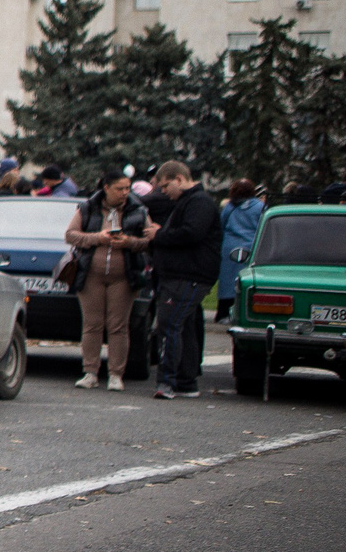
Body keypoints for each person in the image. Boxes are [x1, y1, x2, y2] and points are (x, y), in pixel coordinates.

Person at [143, 159, 220, 399]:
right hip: (185, 274)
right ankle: (186, 381)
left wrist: (160, 234)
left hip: (187, 276)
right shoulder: (192, 202)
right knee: (184, 327)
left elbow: (191, 234)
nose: (163, 192)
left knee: (169, 326)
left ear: (179, 179)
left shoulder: (199, 203)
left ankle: (168, 381)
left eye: (165, 186)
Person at [66, 172, 148, 390]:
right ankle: (90, 372)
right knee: (92, 324)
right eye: (120, 188)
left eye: (127, 188)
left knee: (118, 326)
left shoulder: (138, 210)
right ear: (106, 188)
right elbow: (70, 235)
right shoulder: (87, 208)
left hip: (123, 276)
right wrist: (97, 238)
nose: (125, 193)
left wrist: (129, 241)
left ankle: (116, 374)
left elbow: (149, 240)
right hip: (91, 275)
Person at [216, 178, 266, 307]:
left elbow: (221, 224)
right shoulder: (260, 207)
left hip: (230, 247)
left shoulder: (230, 207)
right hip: (251, 247)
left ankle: (224, 311)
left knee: (227, 280)